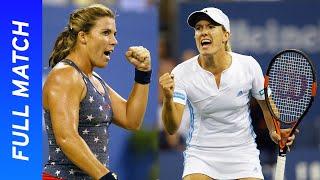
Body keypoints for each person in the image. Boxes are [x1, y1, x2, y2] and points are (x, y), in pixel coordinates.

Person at [159, 7, 295, 180]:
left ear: (225, 35)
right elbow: (171, 128)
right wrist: (168, 98)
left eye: (210, 26)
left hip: (242, 153)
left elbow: (267, 107)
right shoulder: (181, 72)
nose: (203, 32)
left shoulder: (248, 66)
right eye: (199, 28)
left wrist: (274, 131)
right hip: (201, 155)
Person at [42, 4, 152, 180]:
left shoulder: (94, 79)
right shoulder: (65, 75)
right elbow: (66, 137)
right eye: (106, 33)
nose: (114, 41)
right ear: (83, 36)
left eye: (114, 34)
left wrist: (143, 74)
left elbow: (131, 119)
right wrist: (105, 176)